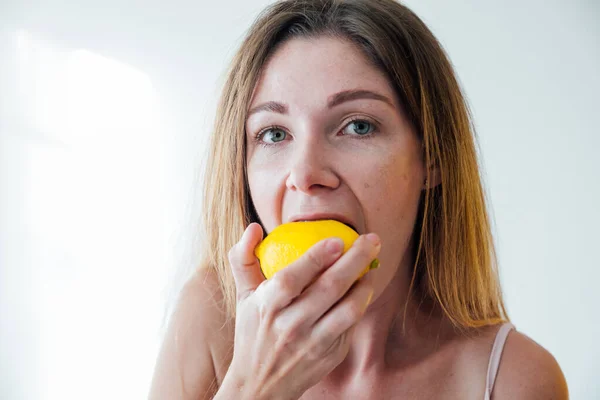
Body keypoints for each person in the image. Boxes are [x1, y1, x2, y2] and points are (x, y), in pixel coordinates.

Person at [149, 0, 569, 398]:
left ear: (433, 157)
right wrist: (252, 389)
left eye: (358, 127)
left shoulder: (514, 380)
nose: (306, 174)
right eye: (274, 133)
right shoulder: (210, 322)